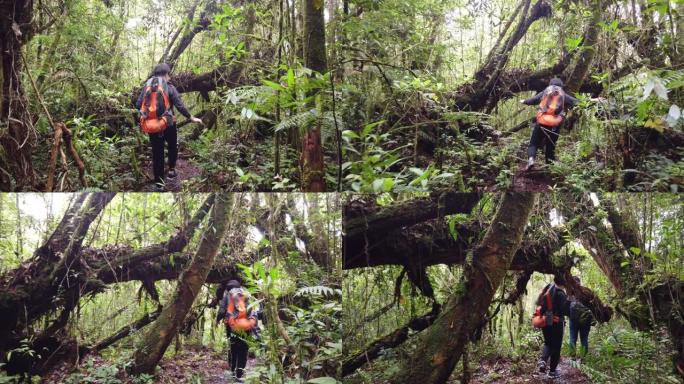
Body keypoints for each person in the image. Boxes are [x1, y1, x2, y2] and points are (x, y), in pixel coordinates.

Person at [135, 63, 203, 191]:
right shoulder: (169, 87)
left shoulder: (147, 86)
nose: (169, 77)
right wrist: (191, 117)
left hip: (152, 125)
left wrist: (146, 117)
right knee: (172, 145)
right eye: (169, 74)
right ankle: (171, 170)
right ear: (166, 74)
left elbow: (138, 104)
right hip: (169, 123)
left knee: (157, 153)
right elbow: (179, 105)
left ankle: (159, 184)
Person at [520, 78, 579, 170]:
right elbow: (575, 102)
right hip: (555, 124)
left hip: (542, 121)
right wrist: (593, 101)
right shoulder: (562, 93)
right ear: (560, 86)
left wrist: (524, 101)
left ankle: (531, 159)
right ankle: (549, 168)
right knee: (551, 146)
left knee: (533, 143)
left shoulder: (545, 91)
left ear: (550, 85)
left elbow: (534, 100)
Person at [216, 280, 258, 382]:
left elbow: (222, 311)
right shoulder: (246, 295)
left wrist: (217, 320)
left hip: (232, 328)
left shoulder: (227, 296)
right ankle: (239, 375)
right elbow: (253, 311)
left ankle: (232, 371)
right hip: (245, 327)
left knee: (233, 348)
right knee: (243, 349)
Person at [536, 275, 570, 379]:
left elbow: (539, 302)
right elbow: (566, 311)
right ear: (564, 282)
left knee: (548, 343)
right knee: (556, 346)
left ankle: (543, 361)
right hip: (556, 322)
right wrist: (569, 301)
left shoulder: (548, 287)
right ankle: (552, 371)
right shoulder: (561, 294)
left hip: (545, 320)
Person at [568, 276, 591, 358]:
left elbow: (566, 306)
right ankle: (583, 358)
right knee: (584, 338)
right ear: (579, 282)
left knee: (572, 337)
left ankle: (572, 357)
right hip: (585, 319)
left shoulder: (570, 293)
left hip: (573, 319)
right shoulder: (586, 291)